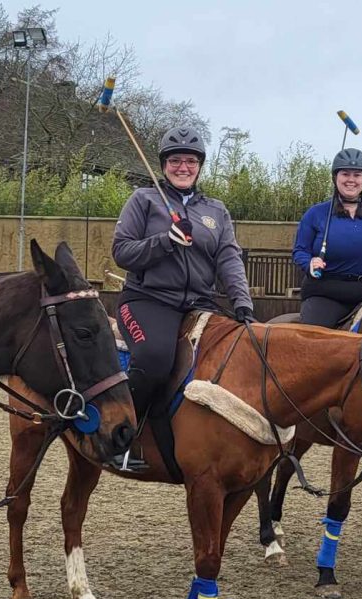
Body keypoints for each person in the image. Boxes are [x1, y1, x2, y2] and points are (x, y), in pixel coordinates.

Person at [111, 126, 255, 472]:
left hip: (200, 305)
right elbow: (122, 251)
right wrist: (165, 241)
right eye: (175, 160)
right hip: (148, 301)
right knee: (156, 358)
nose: (183, 167)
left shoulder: (216, 211)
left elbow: (229, 259)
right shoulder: (144, 200)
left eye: (190, 161)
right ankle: (119, 439)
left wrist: (244, 305)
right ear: (163, 165)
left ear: (200, 166)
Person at [292, 148, 362, 327]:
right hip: (325, 294)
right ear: (335, 178)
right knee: (314, 344)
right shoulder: (316, 214)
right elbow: (300, 251)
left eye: (357, 175)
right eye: (345, 174)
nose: (351, 180)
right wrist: (309, 263)